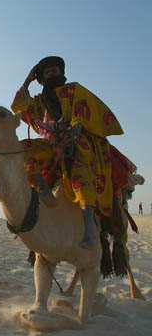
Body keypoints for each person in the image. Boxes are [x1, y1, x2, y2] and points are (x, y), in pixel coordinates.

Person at [11, 56, 124, 249]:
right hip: (51, 140)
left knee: (80, 167)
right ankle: (42, 189)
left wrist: (74, 131)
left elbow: (82, 111)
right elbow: (20, 107)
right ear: (42, 78)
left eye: (55, 70)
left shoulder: (74, 89)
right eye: (47, 72)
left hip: (78, 138)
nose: (52, 73)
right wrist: (27, 81)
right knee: (21, 149)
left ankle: (89, 228)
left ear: (61, 73)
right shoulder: (41, 100)